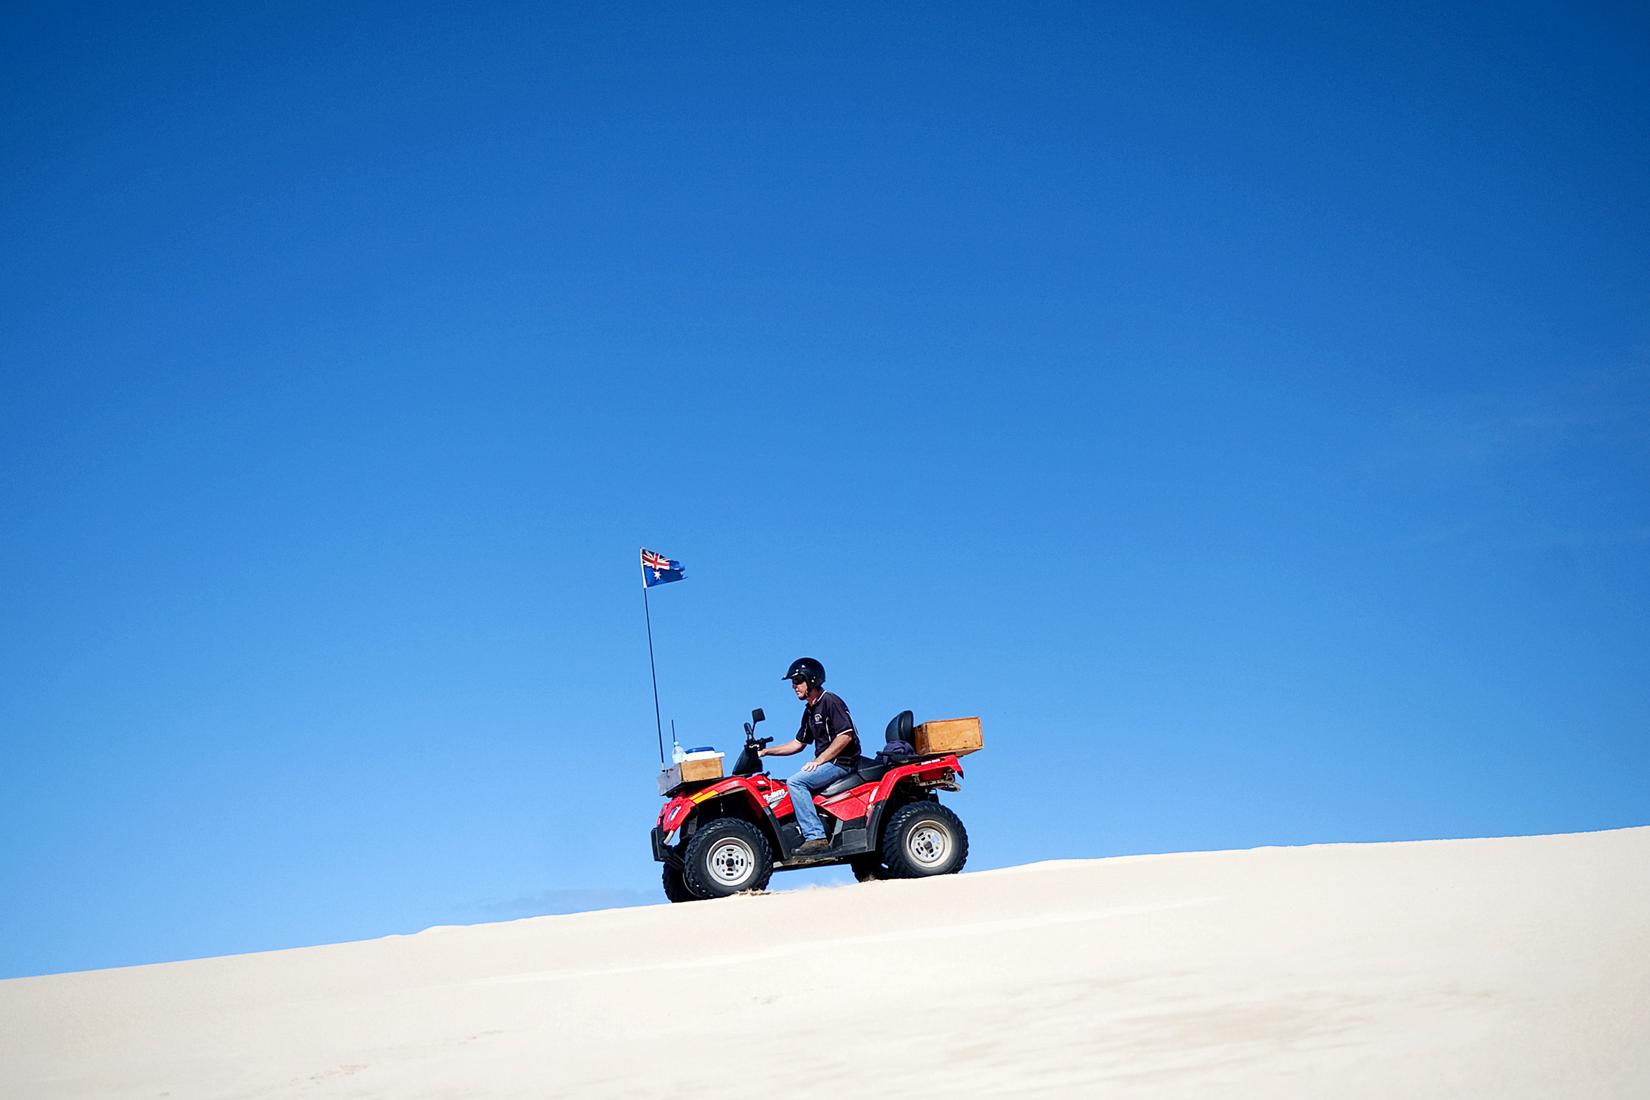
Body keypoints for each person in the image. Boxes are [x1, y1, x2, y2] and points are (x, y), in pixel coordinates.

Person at [759, 657, 861, 854]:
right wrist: (766, 751)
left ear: (811, 680)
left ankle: (815, 837)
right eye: (792, 683)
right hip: (829, 762)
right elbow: (798, 744)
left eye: (797, 681)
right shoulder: (810, 710)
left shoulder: (830, 701)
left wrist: (819, 760)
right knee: (788, 783)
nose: (794, 687)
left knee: (796, 782)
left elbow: (845, 736)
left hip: (842, 763)